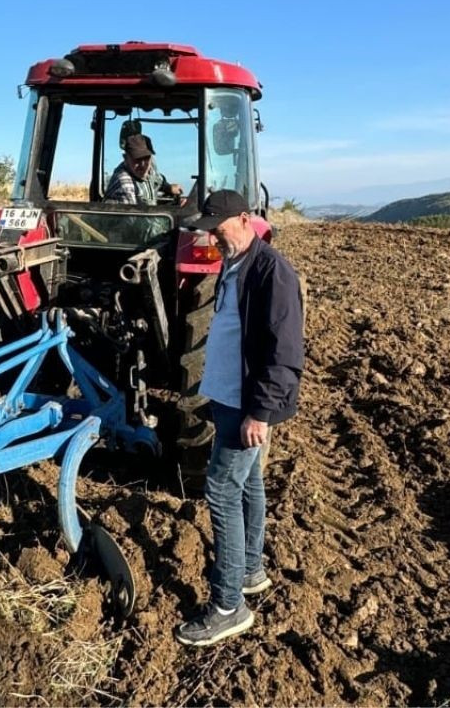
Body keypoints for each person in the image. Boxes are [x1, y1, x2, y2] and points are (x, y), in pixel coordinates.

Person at [174, 189, 305, 647]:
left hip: (249, 405)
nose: (212, 234)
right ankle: (249, 570)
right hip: (230, 398)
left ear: (246, 218)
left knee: (221, 490)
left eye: (219, 226)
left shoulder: (272, 271)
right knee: (249, 484)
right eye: (207, 226)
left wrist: (260, 412)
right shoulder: (233, 263)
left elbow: (284, 353)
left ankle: (228, 605)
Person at [103, 134, 183, 205]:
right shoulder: (125, 184)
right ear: (125, 158)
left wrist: (169, 188)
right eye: (137, 159)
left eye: (146, 158)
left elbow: (157, 179)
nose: (143, 165)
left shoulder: (150, 166)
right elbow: (134, 219)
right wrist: (176, 212)